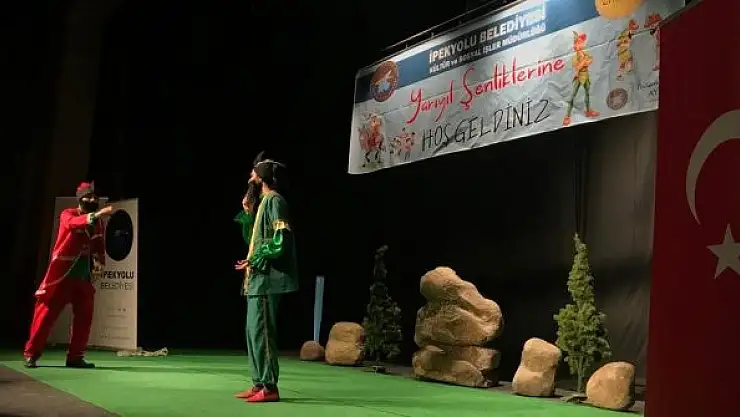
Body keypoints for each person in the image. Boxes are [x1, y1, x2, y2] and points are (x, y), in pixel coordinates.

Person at [23, 182, 114, 368]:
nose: (93, 200)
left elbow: (98, 243)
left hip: (83, 277)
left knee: (84, 318)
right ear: (80, 198)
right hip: (62, 277)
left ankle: (75, 357)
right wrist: (97, 215)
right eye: (89, 197)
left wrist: (99, 262)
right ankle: (31, 353)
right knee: (45, 317)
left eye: (95, 197)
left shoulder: (98, 223)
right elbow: (73, 224)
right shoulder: (68, 214)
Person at [234, 155, 298, 403]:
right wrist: (248, 214)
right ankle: (259, 382)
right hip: (257, 278)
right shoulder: (263, 202)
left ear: (262, 177)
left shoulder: (275, 201)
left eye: (254, 173)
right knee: (253, 332)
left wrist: (257, 257)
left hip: (267, 279)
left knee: (263, 333)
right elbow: (255, 239)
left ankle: (270, 386)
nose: (250, 177)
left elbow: (280, 240)